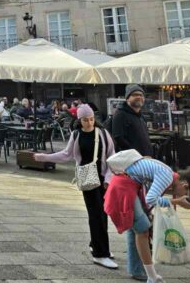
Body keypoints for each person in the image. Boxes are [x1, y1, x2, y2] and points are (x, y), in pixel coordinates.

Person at [105, 151, 190, 283]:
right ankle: (152, 276)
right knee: (142, 229)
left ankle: (137, 270)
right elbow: (151, 199)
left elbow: (148, 195)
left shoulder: (167, 172)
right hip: (123, 187)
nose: (184, 195)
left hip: (124, 185)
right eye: (187, 193)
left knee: (137, 229)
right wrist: (177, 202)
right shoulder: (167, 176)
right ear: (185, 185)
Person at [34, 104, 118, 270]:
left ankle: (98, 245)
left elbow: (111, 156)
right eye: (85, 120)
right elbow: (66, 154)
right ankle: (100, 254)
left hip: (103, 179)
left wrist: (109, 178)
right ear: (79, 120)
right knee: (95, 214)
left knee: (102, 214)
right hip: (87, 178)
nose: (89, 122)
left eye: (91, 119)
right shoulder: (76, 134)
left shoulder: (102, 133)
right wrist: (44, 157)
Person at [111, 85, 153, 157]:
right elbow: (119, 138)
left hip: (145, 160)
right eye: (135, 95)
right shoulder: (120, 114)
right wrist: (136, 155)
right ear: (127, 98)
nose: (139, 97)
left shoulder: (141, 117)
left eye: (141, 95)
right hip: (131, 161)